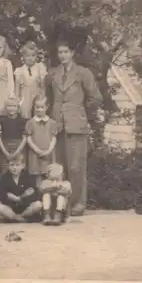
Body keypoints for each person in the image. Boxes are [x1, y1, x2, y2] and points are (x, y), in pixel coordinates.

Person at [45, 40, 103, 216]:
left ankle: (78, 203)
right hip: (57, 124)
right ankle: (61, 204)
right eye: (60, 52)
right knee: (59, 166)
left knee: (76, 166)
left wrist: (81, 112)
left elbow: (96, 98)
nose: (62, 55)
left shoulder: (83, 73)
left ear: (72, 53)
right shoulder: (52, 74)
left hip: (76, 124)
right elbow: (48, 98)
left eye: (66, 51)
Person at [0, 154, 42, 222]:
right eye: (12, 165)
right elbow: (1, 194)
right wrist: (11, 198)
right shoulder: (4, 177)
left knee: (38, 204)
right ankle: (18, 218)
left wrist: (19, 198)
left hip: (25, 208)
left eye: (17, 165)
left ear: (23, 166)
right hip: (11, 207)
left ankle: (19, 217)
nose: (14, 168)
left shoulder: (28, 177)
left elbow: (33, 195)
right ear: (8, 166)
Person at [25, 95, 59, 185]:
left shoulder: (52, 122)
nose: (39, 109)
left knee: (49, 174)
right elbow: (28, 139)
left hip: (48, 153)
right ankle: (38, 196)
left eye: (42, 107)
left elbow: (54, 138)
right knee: (37, 177)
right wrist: (38, 150)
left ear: (47, 107)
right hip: (35, 153)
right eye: (37, 107)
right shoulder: (30, 122)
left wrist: (48, 151)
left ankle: (47, 196)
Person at [14, 41, 47, 119]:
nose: (30, 58)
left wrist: (43, 97)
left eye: (33, 55)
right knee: (25, 114)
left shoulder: (40, 67)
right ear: (23, 56)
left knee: (37, 114)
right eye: (27, 56)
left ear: (36, 56)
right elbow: (17, 88)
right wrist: (17, 100)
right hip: (25, 96)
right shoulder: (19, 70)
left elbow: (43, 86)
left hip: (37, 95)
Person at [0, 96, 27, 174]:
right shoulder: (1, 120)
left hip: (19, 148)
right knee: (5, 170)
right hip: (4, 149)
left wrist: (17, 152)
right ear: (5, 107)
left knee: (18, 169)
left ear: (18, 107)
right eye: (9, 106)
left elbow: (24, 139)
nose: (11, 108)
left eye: (14, 106)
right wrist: (5, 153)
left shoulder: (22, 121)